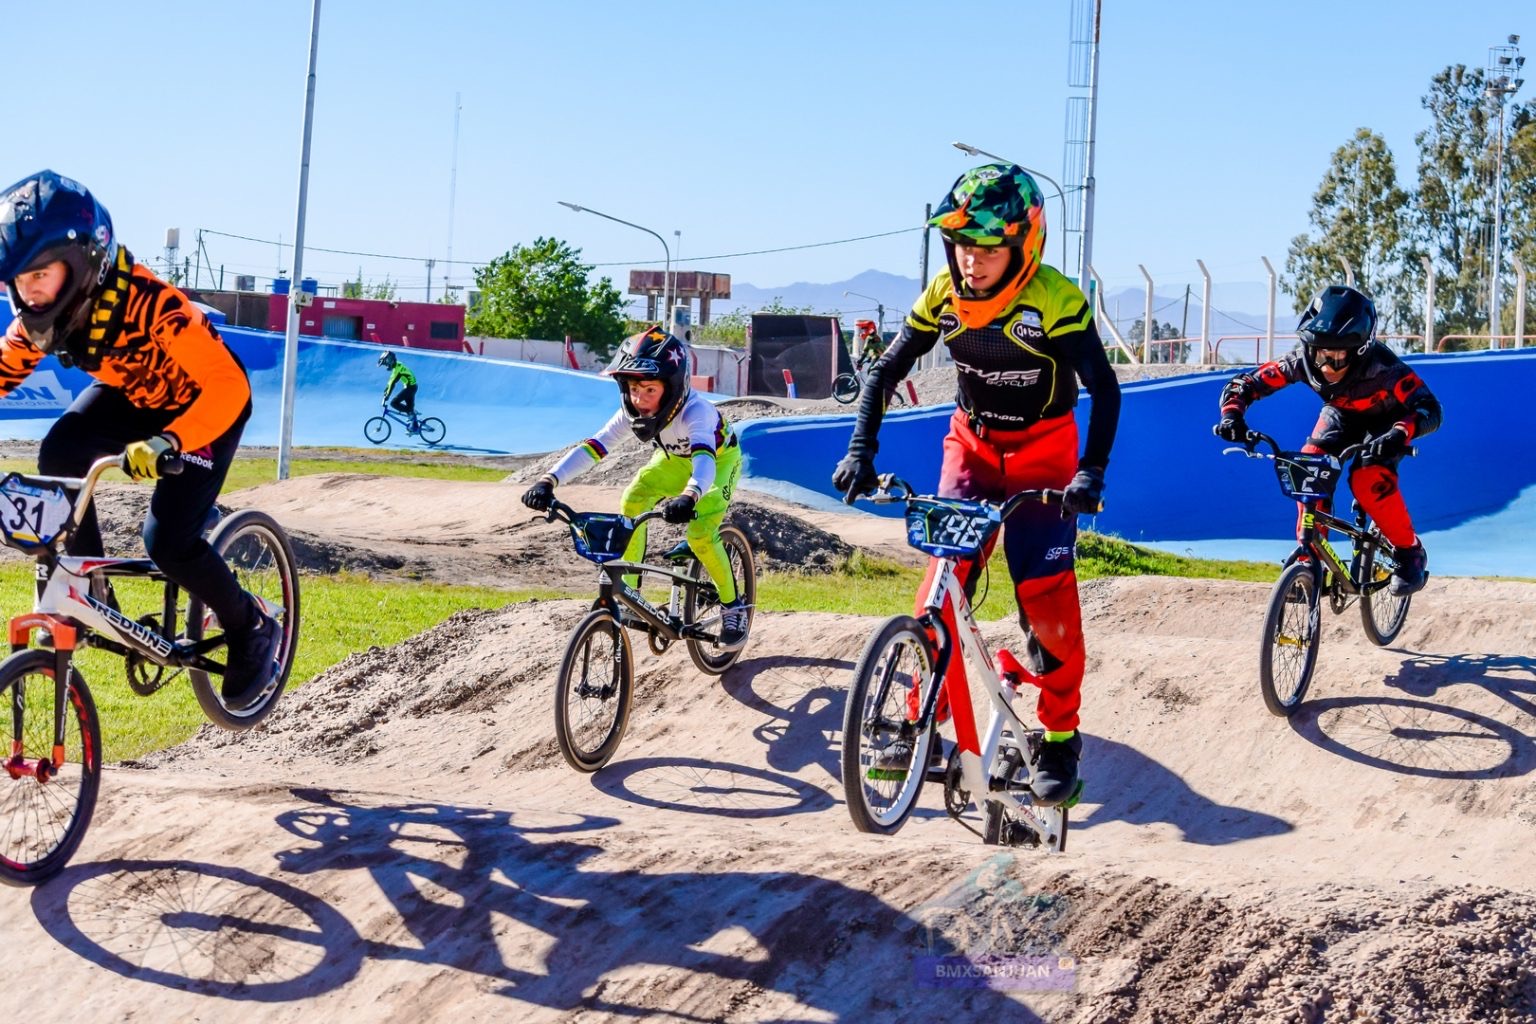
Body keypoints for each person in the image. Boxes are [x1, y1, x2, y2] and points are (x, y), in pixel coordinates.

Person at [830, 163, 1121, 805]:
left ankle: (1060, 735)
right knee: (940, 581)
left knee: (1045, 604)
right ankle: (913, 721)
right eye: (961, 243)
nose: (971, 259)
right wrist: (861, 449)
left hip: (1045, 454)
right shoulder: (941, 293)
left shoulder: (1055, 298)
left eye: (987, 246)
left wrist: (1090, 472)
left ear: (1024, 244)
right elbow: (882, 371)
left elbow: (1104, 386)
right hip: (973, 445)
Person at [0, 170, 279, 710]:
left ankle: (252, 626)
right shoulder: (45, 316)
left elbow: (229, 387)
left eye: (38, 274)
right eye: (15, 279)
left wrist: (172, 441)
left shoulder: (152, 303)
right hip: (136, 399)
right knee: (59, 450)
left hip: (204, 408)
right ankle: (88, 589)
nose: (25, 292)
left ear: (82, 265)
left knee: (168, 543)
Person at [521, 324, 749, 649]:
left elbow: (704, 463)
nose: (639, 399)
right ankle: (631, 593)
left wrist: (690, 495)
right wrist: (549, 480)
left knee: (700, 535)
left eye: (649, 390)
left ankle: (732, 605)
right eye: (632, 389)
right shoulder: (630, 412)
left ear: (671, 388)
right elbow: (595, 446)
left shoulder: (696, 412)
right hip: (672, 461)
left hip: (717, 462)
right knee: (633, 499)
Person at [1214, 284, 1441, 595]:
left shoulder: (1386, 369)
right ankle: (1308, 560)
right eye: (1322, 354)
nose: (1327, 366)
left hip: (1387, 424)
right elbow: (1246, 383)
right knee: (1307, 467)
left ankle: (1409, 552)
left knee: (1367, 479)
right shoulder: (1301, 360)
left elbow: (1429, 408)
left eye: (1338, 358)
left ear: (1361, 350)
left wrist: (1400, 433)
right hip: (1341, 415)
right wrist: (1232, 416)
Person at [378, 350, 419, 431]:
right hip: (411, 387)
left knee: (394, 403)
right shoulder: (397, 366)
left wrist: (387, 396)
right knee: (409, 409)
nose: (386, 366)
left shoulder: (398, 369)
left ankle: (411, 413)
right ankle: (415, 428)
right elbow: (391, 381)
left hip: (410, 388)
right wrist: (386, 390)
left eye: (386, 364)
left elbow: (393, 383)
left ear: (390, 361)